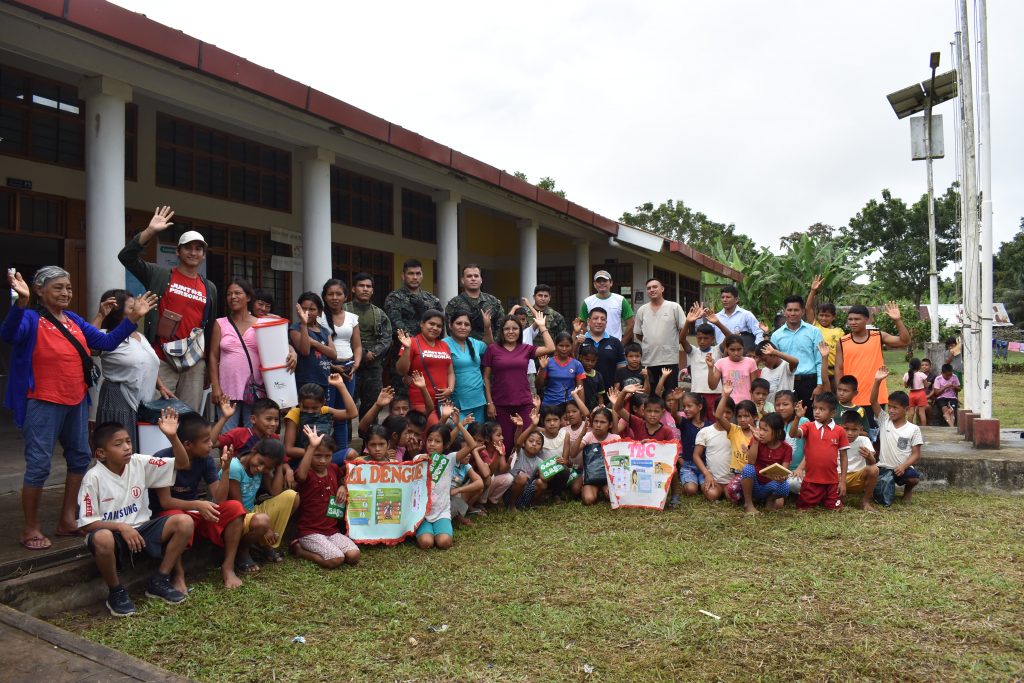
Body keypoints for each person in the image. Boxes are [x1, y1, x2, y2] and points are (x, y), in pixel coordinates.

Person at [3, 267, 157, 550]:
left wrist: (133, 318)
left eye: (69, 287)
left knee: (79, 459)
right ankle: (30, 528)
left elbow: (106, 341)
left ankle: (67, 520)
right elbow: (8, 334)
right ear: (39, 290)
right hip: (42, 400)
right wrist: (20, 303)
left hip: (75, 401)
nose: (65, 292)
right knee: (39, 465)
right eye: (58, 287)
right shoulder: (29, 317)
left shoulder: (73, 320)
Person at [77, 415, 192, 616]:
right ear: (101, 453)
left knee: (184, 521)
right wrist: (122, 527)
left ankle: (160, 579)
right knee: (102, 537)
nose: (127, 447)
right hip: (114, 535)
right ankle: (116, 591)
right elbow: (87, 524)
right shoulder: (92, 478)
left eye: (128, 441)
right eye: (118, 444)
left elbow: (182, 464)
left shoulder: (139, 462)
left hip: (143, 529)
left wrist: (173, 437)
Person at [118, 206, 218, 412]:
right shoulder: (160, 275)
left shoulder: (210, 288)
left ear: (204, 255)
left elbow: (209, 329)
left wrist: (207, 365)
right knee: (158, 416)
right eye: (188, 247)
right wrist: (150, 231)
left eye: (198, 249)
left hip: (194, 363)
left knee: (189, 421)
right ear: (178, 251)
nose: (193, 252)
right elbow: (126, 257)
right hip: (161, 360)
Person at [148, 409, 248, 589]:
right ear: (187, 444)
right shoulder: (162, 458)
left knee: (234, 507)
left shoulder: (205, 459)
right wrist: (196, 504)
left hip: (194, 512)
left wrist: (225, 471)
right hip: (169, 516)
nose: (211, 444)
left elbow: (219, 498)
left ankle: (228, 567)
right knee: (178, 516)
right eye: (206, 441)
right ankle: (178, 575)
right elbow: (165, 502)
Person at [92, 289, 172, 448]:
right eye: (132, 308)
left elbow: (147, 363)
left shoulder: (139, 337)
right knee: (119, 452)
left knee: (140, 454)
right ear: (117, 312)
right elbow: (88, 343)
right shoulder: (107, 335)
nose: (138, 310)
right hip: (118, 400)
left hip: (142, 402)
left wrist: (161, 386)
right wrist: (101, 315)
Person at [482, 305, 555, 455]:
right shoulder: (493, 349)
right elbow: (486, 378)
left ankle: (525, 473)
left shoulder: (526, 348)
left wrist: (542, 326)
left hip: (524, 403)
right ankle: (508, 473)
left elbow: (550, 347)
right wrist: (490, 402)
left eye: (514, 328)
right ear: (502, 331)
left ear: (520, 331)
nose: (511, 332)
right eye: (507, 329)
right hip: (501, 404)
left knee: (526, 440)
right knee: (506, 442)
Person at [292, 427, 360, 569]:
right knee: (335, 559)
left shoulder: (333, 469)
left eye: (327, 456)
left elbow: (344, 478)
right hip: (309, 532)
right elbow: (300, 476)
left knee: (354, 555)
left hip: (332, 530)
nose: (323, 460)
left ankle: (328, 546)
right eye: (317, 456)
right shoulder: (307, 473)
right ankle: (299, 549)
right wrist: (312, 446)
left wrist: (342, 487)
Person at [227, 438, 299, 568]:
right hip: (235, 516)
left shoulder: (263, 469)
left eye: (267, 467)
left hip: (251, 513)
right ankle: (242, 550)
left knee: (292, 496)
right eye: (260, 462)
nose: (260, 468)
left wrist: (279, 466)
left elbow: (275, 492)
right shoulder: (235, 467)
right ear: (254, 451)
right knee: (262, 522)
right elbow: (237, 504)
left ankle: (264, 544)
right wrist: (266, 528)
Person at [834, 302, 910, 423]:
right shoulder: (842, 342)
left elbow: (904, 341)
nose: (853, 322)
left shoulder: (878, 336)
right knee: (851, 433)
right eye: (850, 319)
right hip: (852, 397)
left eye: (857, 319)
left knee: (876, 434)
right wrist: (841, 392)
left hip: (876, 397)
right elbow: (838, 368)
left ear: (866, 319)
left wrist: (897, 320)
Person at [208, 278, 263, 432]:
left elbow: (275, 351)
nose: (233, 297)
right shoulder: (220, 323)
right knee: (226, 436)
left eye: (238, 293)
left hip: (255, 390)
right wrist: (216, 387)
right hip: (227, 390)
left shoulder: (261, 324)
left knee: (252, 436)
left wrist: (292, 353)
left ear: (249, 297)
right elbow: (213, 356)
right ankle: (228, 458)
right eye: (229, 294)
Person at [417, 417, 477, 549]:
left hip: (442, 512)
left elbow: (472, 445)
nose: (432, 444)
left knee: (444, 543)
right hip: (422, 513)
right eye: (430, 440)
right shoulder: (419, 458)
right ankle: (425, 530)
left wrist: (459, 425)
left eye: (437, 441)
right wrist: (419, 462)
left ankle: (439, 528)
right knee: (426, 543)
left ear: (446, 445)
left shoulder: (450, 459)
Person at [385, 259, 442, 396]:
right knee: (403, 399)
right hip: (404, 355)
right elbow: (396, 325)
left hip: (429, 355)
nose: (414, 277)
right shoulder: (394, 298)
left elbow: (440, 325)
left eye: (418, 273)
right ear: (403, 276)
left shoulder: (432, 300)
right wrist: (417, 343)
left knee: (428, 395)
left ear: (422, 276)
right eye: (411, 273)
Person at [870, 367, 922, 506]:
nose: (891, 411)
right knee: (875, 482)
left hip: (901, 468)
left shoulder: (913, 429)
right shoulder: (884, 420)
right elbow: (873, 401)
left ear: (905, 410)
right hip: (883, 466)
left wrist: (904, 466)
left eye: (895, 408)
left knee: (913, 480)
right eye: (889, 407)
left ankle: (907, 491)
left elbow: (916, 454)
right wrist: (877, 381)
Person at [344, 272, 392, 421]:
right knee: (345, 406)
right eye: (361, 286)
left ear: (372, 290)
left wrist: (373, 353)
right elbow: (338, 336)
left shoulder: (379, 314)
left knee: (372, 408)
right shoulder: (343, 310)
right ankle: (344, 441)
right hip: (348, 366)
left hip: (373, 368)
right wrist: (362, 353)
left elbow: (387, 338)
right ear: (353, 289)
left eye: (368, 286)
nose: (365, 289)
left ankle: (369, 441)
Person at [790, 392, 849, 511]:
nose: (817, 412)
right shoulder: (808, 426)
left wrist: (842, 481)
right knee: (804, 508)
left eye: (822, 409)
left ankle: (828, 499)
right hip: (811, 480)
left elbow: (843, 456)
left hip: (832, 481)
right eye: (815, 408)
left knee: (836, 509)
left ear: (832, 413)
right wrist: (797, 418)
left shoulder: (840, 431)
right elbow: (793, 434)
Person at [321, 279, 361, 449]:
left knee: (344, 414)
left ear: (345, 297)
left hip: (349, 368)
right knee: (326, 412)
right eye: (330, 294)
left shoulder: (352, 318)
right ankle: (322, 452)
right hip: (327, 368)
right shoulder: (319, 317)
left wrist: (356, 365)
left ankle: (343, 453)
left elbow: (358, 345)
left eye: (339, 294)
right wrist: (332, 366)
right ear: (325, 296)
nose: (335, 297)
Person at [769, 295, 826, 408]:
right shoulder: (776, 335)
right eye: (789, 310)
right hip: (786, 382)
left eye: (796, 310)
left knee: (810, 418)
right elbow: (774, 362)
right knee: (785, 418)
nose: (793, 313)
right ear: (785, 312)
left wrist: (820, 385)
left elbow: (820, 360)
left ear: (803, 311)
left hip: (809, 382)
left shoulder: (814, 332)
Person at [396, 310, 455, 416]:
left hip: (442, 402)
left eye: (439, 326)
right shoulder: (412, 342)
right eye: (431, 324)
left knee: (443, 431)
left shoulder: (444, 345)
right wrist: (407, 348)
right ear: (422, 324)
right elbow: (401, 370)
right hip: (419, 401)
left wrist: (450, 389)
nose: (435, 328)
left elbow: (450, 372)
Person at [633, 278, 686, 395]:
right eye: (649, 288)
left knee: (670, 394)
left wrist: (675, 341)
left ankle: (670, 414)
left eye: (655, 287)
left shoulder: (674, 307)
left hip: (669, 359)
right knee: (649, 394)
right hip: (649, 360)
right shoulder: (642, 310)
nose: (652, 290)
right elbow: (638, 334)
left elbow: (684, 329)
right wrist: (651, 342)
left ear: (662, 289)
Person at [679, 303, 729, 421]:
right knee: (698, 422)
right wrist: (687, 322)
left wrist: (717, 322)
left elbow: (729, 337)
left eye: (706, 338)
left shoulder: (717, 350)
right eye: (699, 338)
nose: (702, 341)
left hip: (715, 394)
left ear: (712, 339)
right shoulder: (693, 352)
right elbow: (681, 339)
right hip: (696, 395)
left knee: (715, 422)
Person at [565, 407, 622, 506]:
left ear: (610, 424)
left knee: (613, 497)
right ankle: (591, 489)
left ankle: (604, 490)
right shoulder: (589, 436)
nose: (598, 425)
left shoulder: (615, 438)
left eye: (603, 422)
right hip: (591, 477)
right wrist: (581, 434)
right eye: (596, 421)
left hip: (609, 478)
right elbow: (573, 454)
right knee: (588, 500)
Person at [444, 311, 492, 424]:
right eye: (459, 323)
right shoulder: (444, 344)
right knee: (461, 438)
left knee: (477, 438)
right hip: (458, 403)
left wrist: (487, 326)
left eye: (467, 324)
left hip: (478, 401)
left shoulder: (474, 343)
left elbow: (490, 347)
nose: (463, 327)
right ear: (450, 325)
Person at [739, 413, 792, 515]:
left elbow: (784, 472)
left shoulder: (786, 448)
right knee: (748, 468)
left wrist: (781, 478)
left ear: (778, 432)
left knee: (785, 487)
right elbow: (751, 462)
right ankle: (748, 504)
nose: (761, 433)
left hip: (769, 485)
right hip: (754, 483)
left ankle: (770, 500)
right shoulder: (756, 440)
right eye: (760, 429)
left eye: (765, 430)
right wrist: (755, 442)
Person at [289, 292, 337, 394]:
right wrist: (303, 324)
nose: (307, 312)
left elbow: (333, 354)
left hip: (324, 379)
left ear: (319, 312)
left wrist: (315, 343)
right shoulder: (295, 329)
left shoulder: (324, 331)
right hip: (305, 381)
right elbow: (305, 351)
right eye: (304, 308)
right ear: (298, 310)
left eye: (312, 309)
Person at [445, 264, 505, 341]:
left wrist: (494, 345)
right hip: (464, 348)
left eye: (476, 276)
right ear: (462, 280)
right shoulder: (454, 304)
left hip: (489, 348)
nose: (473, 279)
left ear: (481, 280)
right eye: (469, 276)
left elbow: (502, 325)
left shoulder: (493, 302)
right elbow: (450, 330)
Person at [804, 274, 843, 385]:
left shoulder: (839, 332)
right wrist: (813, 290)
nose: (823, 318)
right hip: (818, 373)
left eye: (827, 316)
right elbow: (808, 308)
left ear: (833, 317)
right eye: (821, 315)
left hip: (834, 373)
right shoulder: (815, 326)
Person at [574, 308, 626, 392]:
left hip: (610, 392)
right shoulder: (580, 340)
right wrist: (576, 342)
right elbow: (572, 361)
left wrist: (619, 389)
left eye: (603, 319)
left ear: (606, 323)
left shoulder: (615, 342)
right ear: (588, 321)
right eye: (595, 318)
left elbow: (622, 369)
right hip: (583, 392)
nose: (599, 322)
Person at [579, 270, 634, 343]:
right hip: (593, 349)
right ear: (594, 284)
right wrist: (590, 340)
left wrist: (621, 344)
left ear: (611, 283)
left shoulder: (620, 300)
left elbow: (631, 324)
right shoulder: (587, 302)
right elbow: (581, 325)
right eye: (599, 281)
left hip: (614, 346)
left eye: (605, 281)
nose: (602, 283)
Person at [840, 410, 880, 511]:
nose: (850, 433)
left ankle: (865, 502)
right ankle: (837, 499)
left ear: (861, 429)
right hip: (838, 477)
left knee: (874, 469)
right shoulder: (835, 439)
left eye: (854, 430)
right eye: (846, 429)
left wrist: (869, 456)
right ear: (840, 427)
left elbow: (872, 463)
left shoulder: (864, 440)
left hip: (857, 477)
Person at [537, 332, 585, 407]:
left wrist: (582, 408)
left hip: (569, 407)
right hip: (549, 405)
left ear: (572, 346)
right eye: (561, 345)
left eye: (567, 346)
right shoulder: (547, 362)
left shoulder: (577, 364)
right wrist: (542, 368)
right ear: (556, 346)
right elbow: (538, 385)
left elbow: (580, 388)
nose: (564, 349)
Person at [709, 334, 759, 402]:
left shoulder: (751, 362)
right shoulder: (720, 362)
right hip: (727, 403)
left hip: (746, 404)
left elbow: (754, 387)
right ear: (726, 349)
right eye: (732, 350)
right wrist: (710, 368)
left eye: (739, 349)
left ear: (743, 348)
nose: (736, 353)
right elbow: (712, 386)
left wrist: (753, 403)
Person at [755, 340, 798, 405]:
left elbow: (795, 362)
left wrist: (775, 352)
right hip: (770, 409)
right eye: (762, 361)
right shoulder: (764, 371)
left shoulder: (786, 366)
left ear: (773, 355)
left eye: (765, 359)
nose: (764, 363)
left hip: (785, 407)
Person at [903, 358, 929, 426]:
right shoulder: (921, 374)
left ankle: (909, 428)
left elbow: (905, 386)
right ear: (919, 366)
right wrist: (928, 384)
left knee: (911, 413)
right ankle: (924, 429)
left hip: (911, 394)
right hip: (921, 394)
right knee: (922, 413)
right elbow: (926, 385)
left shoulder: (906, 375)